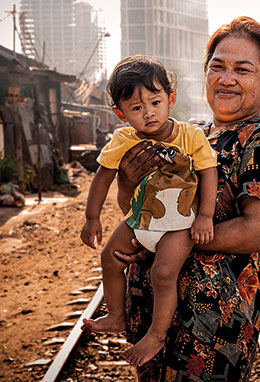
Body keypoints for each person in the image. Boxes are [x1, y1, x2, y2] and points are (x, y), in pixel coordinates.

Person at [111, 17, 260, 381]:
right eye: (218, 66)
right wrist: (126, 187)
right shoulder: (191, 136)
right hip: (158, 322)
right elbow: (147, 214)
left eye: (242, 70)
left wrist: (173, 243)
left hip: (210, 331)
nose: (226, 79)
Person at [79, 55, 218, 366]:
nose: (149, 113)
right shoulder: (123, 140)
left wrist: (206, 215)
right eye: (137, 108)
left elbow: (209, 172)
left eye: (155, 102)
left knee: (163, 272)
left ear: (171, 98)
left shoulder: (190, 136)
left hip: (179, 223)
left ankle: (156, 334)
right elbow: (103, 177)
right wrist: (92, 218)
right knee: (109, 257)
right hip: (141, 217)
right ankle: (116, 314)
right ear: (120, 113)